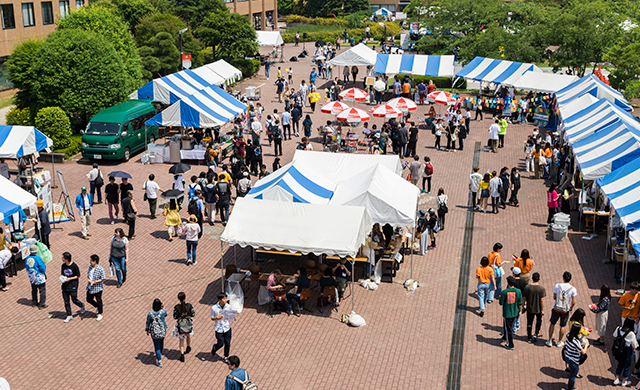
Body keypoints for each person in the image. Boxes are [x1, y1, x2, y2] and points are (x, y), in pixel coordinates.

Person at [546, 271, 577, 348]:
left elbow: (554, 297)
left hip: (556, 308)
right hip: (565, 310)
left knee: (552, 323)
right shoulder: (573, 289)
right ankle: (559, 342)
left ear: (563, 278)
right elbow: (573, 301)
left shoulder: (557, 286)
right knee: (562, 325)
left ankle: (549, 340)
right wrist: (571, 307)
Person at [60, 252, 85, 323]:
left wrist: (69, 279)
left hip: (73, 285)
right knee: (66, 301)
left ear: (67, 259)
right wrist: (62, 277)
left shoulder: (74, 266)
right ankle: (69, 315)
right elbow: (62, 273)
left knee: (74, 299)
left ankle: (81, 305)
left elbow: (78, 275)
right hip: (65, 286)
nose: (62, 259)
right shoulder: (63, 265)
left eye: (63, 258)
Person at [500, 276, 522, 350]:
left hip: (507, 313)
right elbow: (520, 303)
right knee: (510, 327)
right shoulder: (518, 291)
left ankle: (510, 344)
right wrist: (520, 311)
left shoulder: (504, 292)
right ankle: (504, 337)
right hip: (515, 312)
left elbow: (501, 303)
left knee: (508, 328)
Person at [172, 291, 195, 363]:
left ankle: (182, 355)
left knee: (181, 340)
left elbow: (175, 317)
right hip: (188, 324)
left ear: (178, 298)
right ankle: (188, 346)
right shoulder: (189, 305)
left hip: (180, 325)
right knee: (188, 335)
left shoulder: (176, 307)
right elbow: (193, 314)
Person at [613, 318, 637, 387]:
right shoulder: (631, 334)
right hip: (627, 351)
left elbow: (614, 335)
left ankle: (616, 379)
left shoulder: (618, 328)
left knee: (620, 364)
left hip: (619, 350)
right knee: (627, 365)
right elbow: (635, 345)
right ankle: (624, 381)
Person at [211, 293, 234, 363]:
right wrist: (216, 318)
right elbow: (211, 318)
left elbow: (230, 315)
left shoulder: (228, 306)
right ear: (219, 300)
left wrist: (233, 317)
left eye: (226, 298)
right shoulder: (214, 308)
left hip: (227, 327)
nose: (225, 300)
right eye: (224, 299)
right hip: (219, 329)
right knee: (220, 343)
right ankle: (215, 347)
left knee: (227, 343)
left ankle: (226, 356)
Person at [523, 272, 546, 343]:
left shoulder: (527, 287)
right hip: (538, 308)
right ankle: (536, 333)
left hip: (530, 308)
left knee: (529, 322)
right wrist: (542, 310)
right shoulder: (541, 289)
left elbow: (524, 298)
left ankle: (529, 337)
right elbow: (542, 300)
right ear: (539, 279)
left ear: (532, 279)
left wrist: (524, 306)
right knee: (538, 321)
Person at [565, 322, 589, 390]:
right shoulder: (576, 341)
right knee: (573, 376)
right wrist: (586, 345)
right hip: (574, 360)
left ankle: (572, 386)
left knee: (572, 372)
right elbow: (583, 352)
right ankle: (571, 388)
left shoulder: (568, 335)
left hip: (568, 356)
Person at [145, 298, 168, 367]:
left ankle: (159, 360)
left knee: (156, 346)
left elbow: (148, 322)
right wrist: (162, 307)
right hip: (162, 330)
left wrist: (147, 329)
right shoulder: (163, 312)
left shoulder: (150, 314)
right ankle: (160, 352)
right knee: (161, 341)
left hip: (154, 332)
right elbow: (166, 314)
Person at [85, 254, 105, 321]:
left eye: (91, 261)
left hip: (98, 288)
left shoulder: (100, 269)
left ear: (95, 261)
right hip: (90, 287)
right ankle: (97, 306)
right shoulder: (90, 267)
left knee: (99, 300)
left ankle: (100, 313)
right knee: (88, 299)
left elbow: (103, 279)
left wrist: (95, 282)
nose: (90, 262)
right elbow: (88, 275)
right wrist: (88, 279)